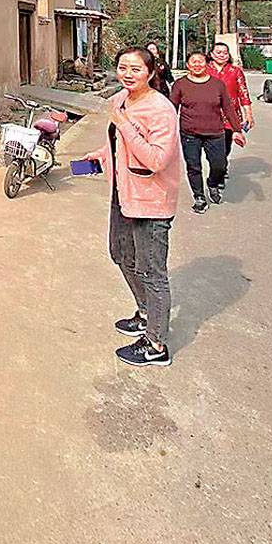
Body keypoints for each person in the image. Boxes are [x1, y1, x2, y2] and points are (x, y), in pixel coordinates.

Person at [81, 46, 181, 367]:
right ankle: (146, 313)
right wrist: (98, 157)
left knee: (152, 271)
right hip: (123, 194)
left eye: (136, 69)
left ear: (151, 73)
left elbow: (155, 158)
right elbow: (119, 144)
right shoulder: (119, 102)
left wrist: (123, 124)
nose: (127, 74)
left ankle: (156, 345)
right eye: (123, 67)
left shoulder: (160, 109)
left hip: (150, 201)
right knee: (121, 255)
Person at [170, 50, 245, 212]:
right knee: (193, 166)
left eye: (200, 61)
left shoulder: (217, 85)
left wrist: (237, 130)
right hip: (190, 133)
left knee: (219, 164)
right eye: (193, 61)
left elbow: (228, 108)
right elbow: (171, 109)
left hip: (215, 132)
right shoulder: (180, 84)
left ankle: (212, 183)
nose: (197, 64)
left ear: (207, 64)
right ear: (188, 65)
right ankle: (199, 197)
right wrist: (166, 131)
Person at [208, 41, 254, 168]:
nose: (222, 55)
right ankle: (217, 169)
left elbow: (244, 94)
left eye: (225, 53)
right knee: (211, 147)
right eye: (218, 52)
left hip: (230, 115)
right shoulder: (205, 70)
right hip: (208, 115)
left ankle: (221, 168)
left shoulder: (235, 71)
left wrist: (248, 115)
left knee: (226, 145)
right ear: (211, 54)